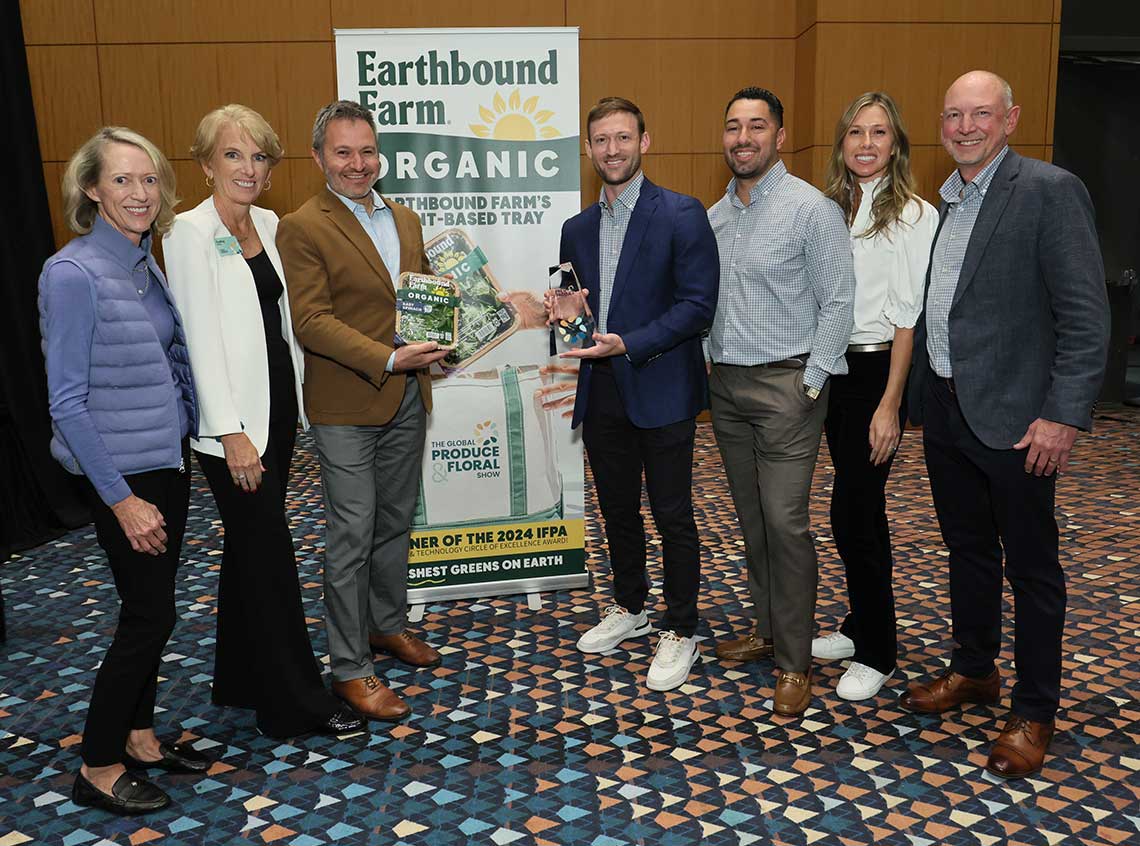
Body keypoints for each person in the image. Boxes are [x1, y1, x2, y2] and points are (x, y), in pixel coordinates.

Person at [902, 70, 1109, 778]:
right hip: (949, 412)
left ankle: (1035, 709)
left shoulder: (1049, 192)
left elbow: (1085, 318)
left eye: (980, 114)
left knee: (1032, 567)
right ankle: (974, 670)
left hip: (1022, 421)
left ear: (1011, 118)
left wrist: (1062, 414)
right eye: (954, 114)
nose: (965, 127)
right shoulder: (949, 202)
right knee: (967, 551)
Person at [163, 105, 363, 738]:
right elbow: (197, 340)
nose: (248, 169)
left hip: (277, 406)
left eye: (259, 157)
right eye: (233, 155)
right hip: (233, 427)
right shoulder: (186, 233)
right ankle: (292, 702)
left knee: (249, 549)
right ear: (204, 164)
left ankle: (241, 677)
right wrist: (230, 431)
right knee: (271, 553)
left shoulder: (271, 223)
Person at [39, 127, 208, 814]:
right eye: (122, 181)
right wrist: (121, 501)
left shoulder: (144, 263)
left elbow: (166, 361)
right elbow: (67, 403)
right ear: (90, 189)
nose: (140, 194)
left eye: (149, 180)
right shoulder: (73, 274)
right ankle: (99, 764)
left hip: (164, 464)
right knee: (147, 616)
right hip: (124, 478)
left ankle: (140, 736)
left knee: (155, 614)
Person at [277, 100, 448, 723]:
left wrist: (440, 348)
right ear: (319, 156)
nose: (358, 163)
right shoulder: (302, 226)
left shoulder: (405, 218)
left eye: (367, 151)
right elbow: (312, 322)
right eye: (343, 152)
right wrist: (389, 358)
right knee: (352, 531)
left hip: (407, 395)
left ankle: (387, 624)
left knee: (395, 522)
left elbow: (421, 304)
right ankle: (350, 666)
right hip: (346, 404)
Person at [557, 96, 719, 691]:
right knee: (616, 509)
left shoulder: (682, 214)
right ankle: (630, 605)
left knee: (672, 514)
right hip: (601, 391)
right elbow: (575, 311)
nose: (612, 150)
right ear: (589, 148)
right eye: (600, 140)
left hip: (662, 389)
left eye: (623, 137)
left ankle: (682, 627)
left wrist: (628, 342)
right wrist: (563, 317)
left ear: (644, 142)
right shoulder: (576, 229)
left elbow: (697, 307)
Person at [707, 87, 855, 717]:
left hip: (789, 388)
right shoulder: (712, 217)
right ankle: (767, 630)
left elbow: (839, 301)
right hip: (727, 390)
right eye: (734, 126)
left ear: (780, 136)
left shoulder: (810, 210)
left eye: (757, 126)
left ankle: (795, 661)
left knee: (787, 525)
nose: (744, 137)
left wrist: (812, 381)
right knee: (752, 522)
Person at [811, 92, 937, 700]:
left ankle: (879, 650)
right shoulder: (827, 208)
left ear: (896, 144)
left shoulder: (914, 215)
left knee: (857, 512)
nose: (866, 144)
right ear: (842, 143)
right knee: (847, 505)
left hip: (877, 372)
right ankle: (858, 624)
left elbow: (908, 319)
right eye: (855, 132)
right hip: (832, 371)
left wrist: (891, 404)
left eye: (879, 133)